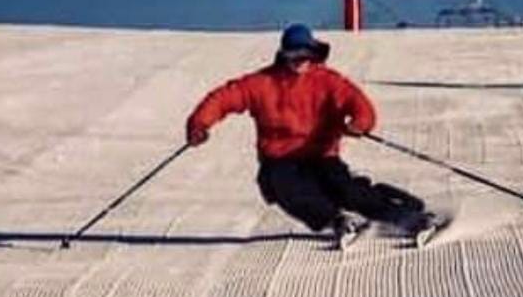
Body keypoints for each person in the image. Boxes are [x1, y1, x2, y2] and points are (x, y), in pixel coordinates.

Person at [184, 23, 439, 245]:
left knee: (345, 190)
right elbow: (224, 98)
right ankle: (337, 221)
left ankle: (410, 218)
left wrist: (360, 123)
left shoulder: (327, 81)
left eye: (305, 53)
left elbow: (358, 103)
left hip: (321, 154)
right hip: (280, 158)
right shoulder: (262, 82)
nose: (300, 60)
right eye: (293, 54)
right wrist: (199, 125)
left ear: (314, 53)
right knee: (284, 188)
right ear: (283, 54)